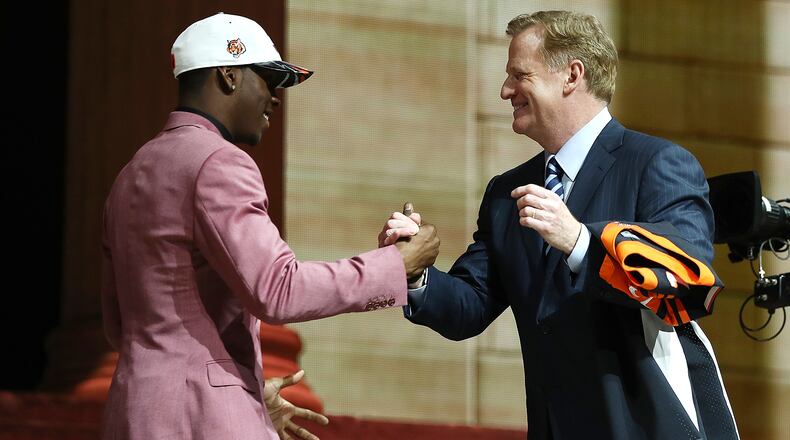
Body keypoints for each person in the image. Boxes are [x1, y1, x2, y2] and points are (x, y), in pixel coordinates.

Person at [382, 10, 739, 440]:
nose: (504, 91)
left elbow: (690, 276)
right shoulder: (506, 193)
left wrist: (582, 243)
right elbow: (468, 307)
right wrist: (415, 272)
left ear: (572, 75)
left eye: (519, 75)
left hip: (652, 426)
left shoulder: (655, 163)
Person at [100, 12, 439, 440]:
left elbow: (117, 323)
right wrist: (396, 265)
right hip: (206, 420)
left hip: (134, 412)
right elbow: (278, 291)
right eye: (267, 78)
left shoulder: (130, 174)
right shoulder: (220, 162)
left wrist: (247, 395)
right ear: (228, 75)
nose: (276, 97)